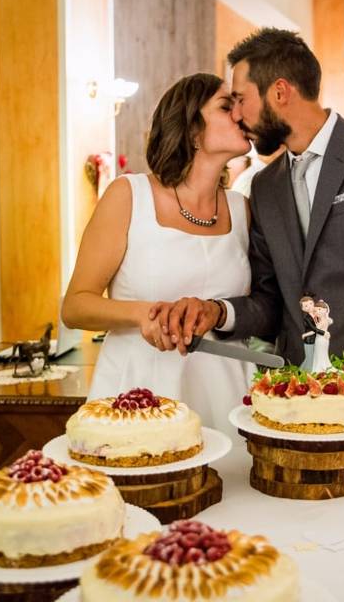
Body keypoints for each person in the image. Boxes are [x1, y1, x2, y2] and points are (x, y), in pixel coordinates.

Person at [151, 28, 344, 459]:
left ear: (279, 91)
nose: (237, 113)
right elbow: (272, 299)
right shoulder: (266, 186)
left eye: (240, 97)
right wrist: (218, 311)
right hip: (292, 402)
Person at [60, 73, 254, 437]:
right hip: (141, 388)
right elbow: (74, 306)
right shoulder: (128, 195)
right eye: (226, 107)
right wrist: (146, 315)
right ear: (192, 129)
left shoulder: (242, 208)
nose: (241, 114)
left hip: (225, 389)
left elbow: (258, 305)